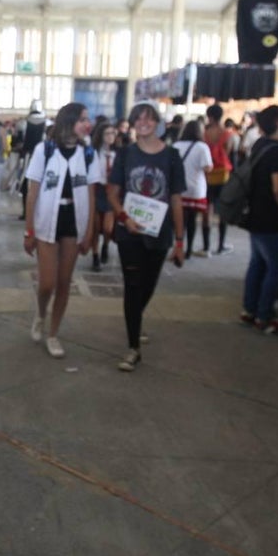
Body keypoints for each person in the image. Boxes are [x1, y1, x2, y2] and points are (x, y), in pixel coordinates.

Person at [107, 102, 186, 372]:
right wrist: (124, 218)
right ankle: (133, 348)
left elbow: (176, 199)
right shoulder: (126, 155)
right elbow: (112, 192)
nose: (143, 123)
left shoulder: (172, 157)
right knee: (133, 285)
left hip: (159, 233)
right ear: (132, 123)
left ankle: (134, 322)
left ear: (157, 123)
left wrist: (179, 240)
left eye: (149, 118)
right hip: (129, 233)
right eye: (138, 118)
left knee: (149, 285)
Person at [23, 103, 102, 359]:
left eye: (87, 119)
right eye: (82, 119)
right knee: (47, 283)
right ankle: (40, 313)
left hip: (73, 222)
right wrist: (29, 230)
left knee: (64, 283)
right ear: (68, 121)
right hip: (47, 220)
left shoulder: (89, 154)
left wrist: (90, 232)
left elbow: (91, 196)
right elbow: (32, 192)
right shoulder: (43, 151)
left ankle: (53, 334)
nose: (87, 124)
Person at [239, 105, 278, 337]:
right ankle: (264, 315)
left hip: (255, 214)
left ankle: (249, 309)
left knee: (257, 263)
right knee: (277, 267)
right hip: (272, 218)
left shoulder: (261, 145)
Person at [172, 120, 214, 259]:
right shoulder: (202, 147)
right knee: (192, 221)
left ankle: (178, 246)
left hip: (179, 189)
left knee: (179, 219)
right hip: (196, 189)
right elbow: (208, 167)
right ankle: (189, 249)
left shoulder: (176, 145)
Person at [203, 104, 238, 255]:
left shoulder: (204, 133)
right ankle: (220, 245)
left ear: (209, 116)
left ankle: (206, 247)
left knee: (207, 209)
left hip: (207, 173)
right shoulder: (227, 134)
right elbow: (228, 152)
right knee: (222, 210)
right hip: (223, 173)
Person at [90, 121, 119, 271]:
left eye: (113, 133)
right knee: (96, 226)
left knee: (108, 227)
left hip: (111, 192)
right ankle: (95, 255)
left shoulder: (118, 153)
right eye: (107, 133)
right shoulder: (94, 152)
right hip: (97, 189)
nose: (110, 136)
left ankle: (106, 245)